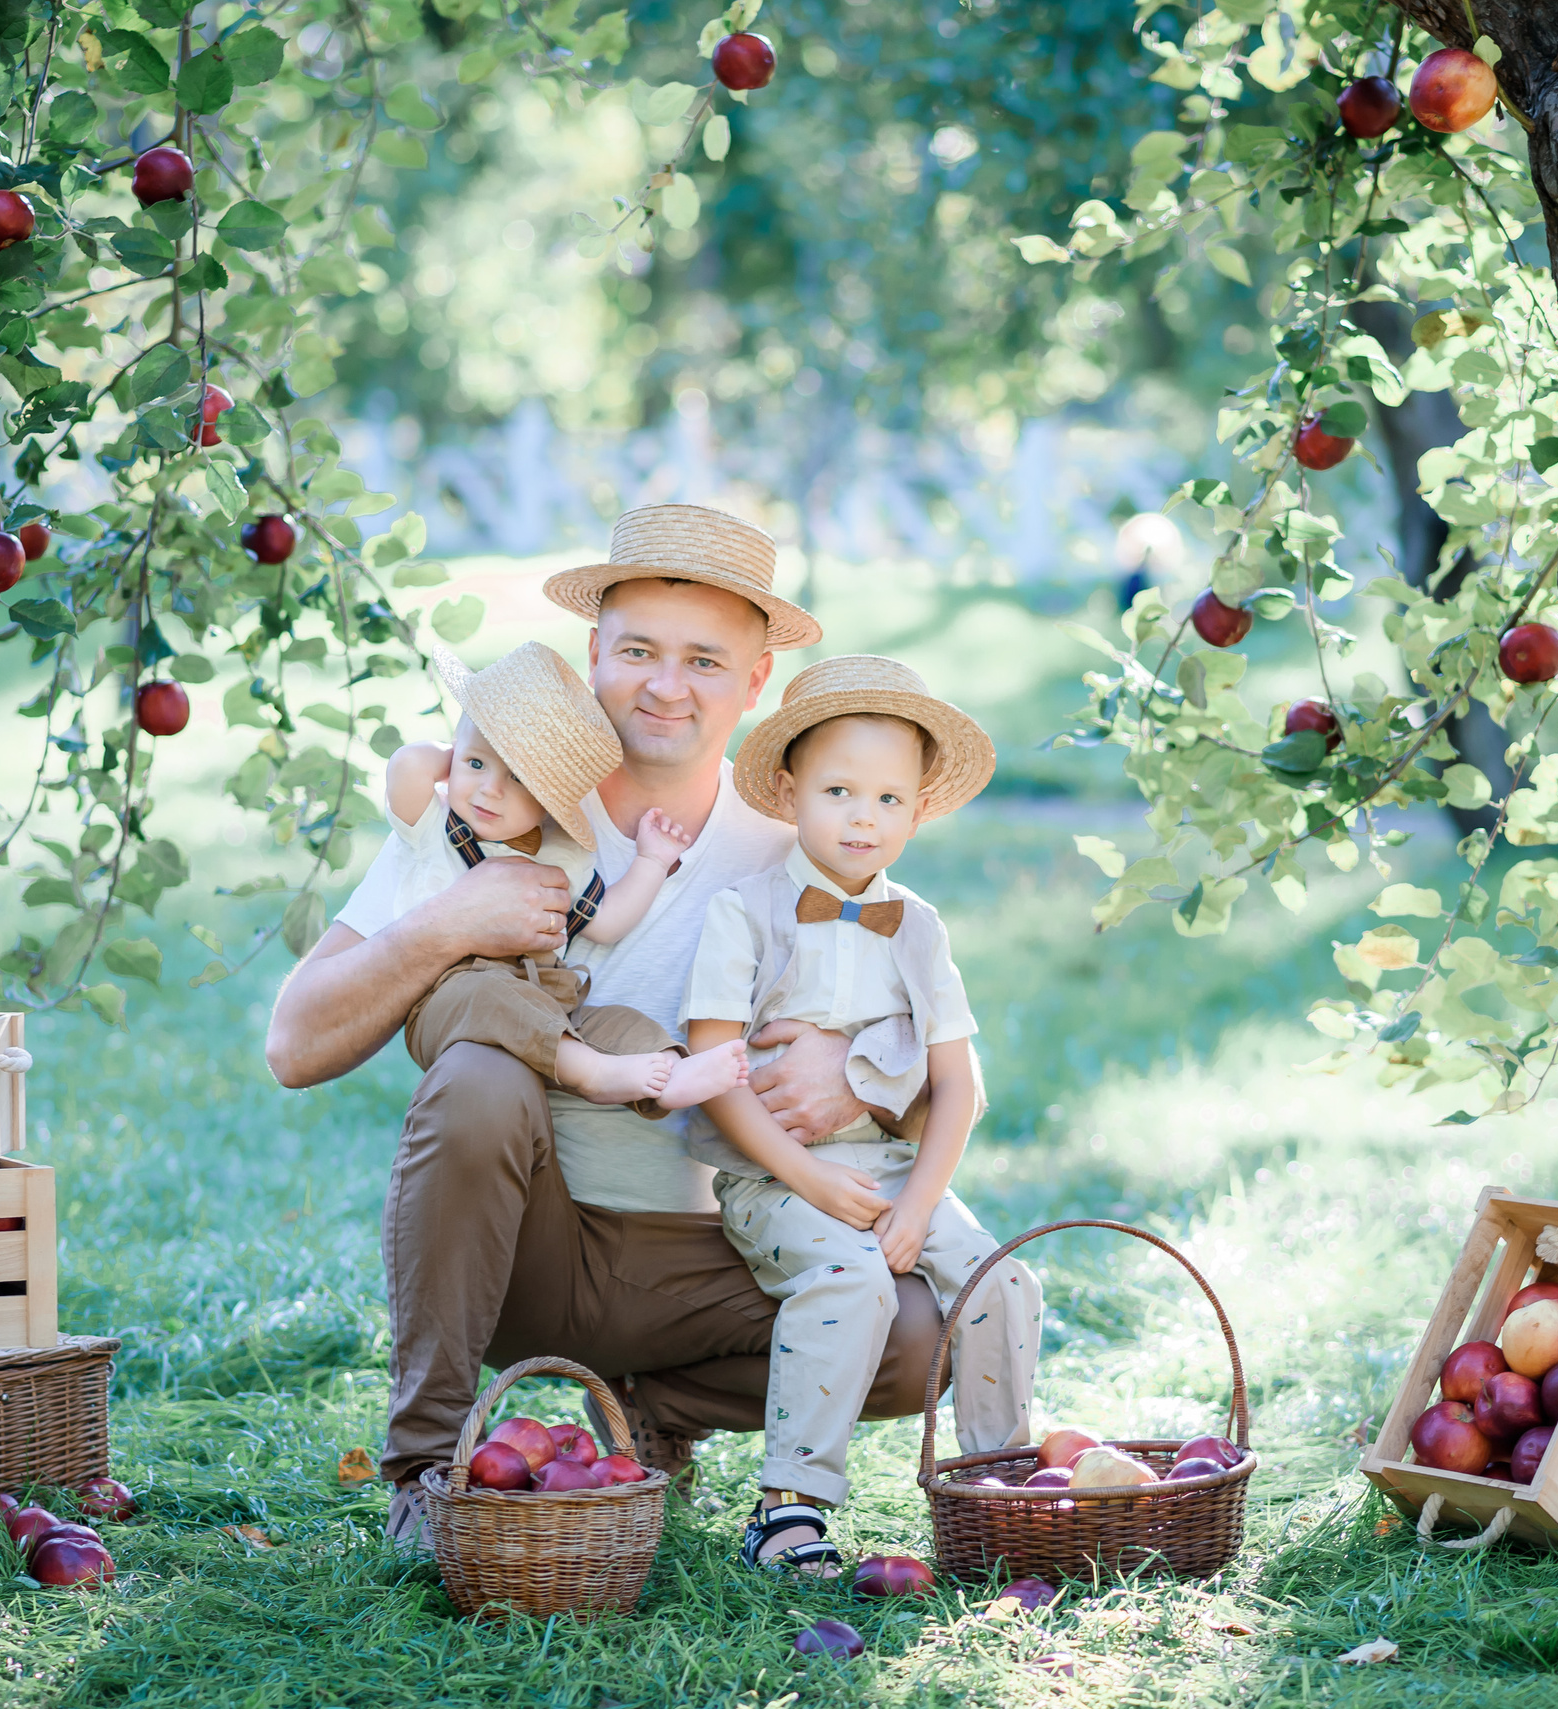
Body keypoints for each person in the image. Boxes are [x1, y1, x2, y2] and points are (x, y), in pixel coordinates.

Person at [265, 504, 963, 1551]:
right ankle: (424, 1466)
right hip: (518, 1246)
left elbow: (936, 1045)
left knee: (919, 1332)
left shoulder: (802, 842)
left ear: (755, 682)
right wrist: (447, 919)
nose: (664, 685)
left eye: (703, 660)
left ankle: (653, 1415)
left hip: (708, 1250)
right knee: (478, 1076)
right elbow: (294, 1043)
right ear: (594, 653)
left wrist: (856, 1073)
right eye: (636, 650)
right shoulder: (492, 798)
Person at [684, 655, 1042, 1573]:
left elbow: (960, 1086)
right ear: (787, 786)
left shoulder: (919, 925)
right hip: (774, 1172)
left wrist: (920, 1205)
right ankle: (789, 1507)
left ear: (919, 810)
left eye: (889, 799)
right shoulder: (745, 913)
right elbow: (717, 1068)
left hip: (893, 1170)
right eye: (839, 790)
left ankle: (990, 1486)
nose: (863, 817)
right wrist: (807, 1175)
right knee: (851, 1280)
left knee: (1005, 1280)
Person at [384, 641, 749, 1115]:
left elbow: (608, 921)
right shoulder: (434, 827)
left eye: (518, 778)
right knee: (490, 993)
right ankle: (592, 1075)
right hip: (451, 998)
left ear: (549, 802)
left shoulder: (561, 855)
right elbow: (407, 765)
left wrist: (653, 861)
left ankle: (667, 1073)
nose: (488, 790)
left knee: (619, 1024)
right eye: (476, 764)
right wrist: (470, 746)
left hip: (552, 1000)